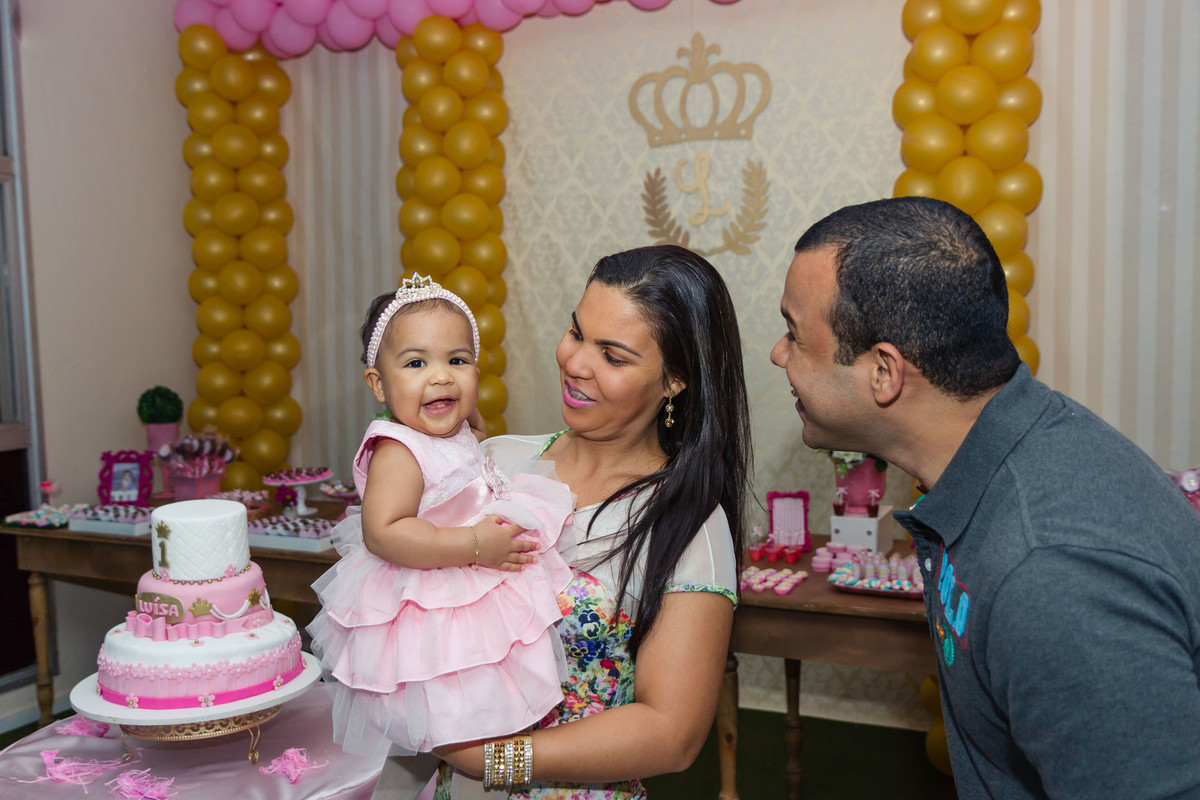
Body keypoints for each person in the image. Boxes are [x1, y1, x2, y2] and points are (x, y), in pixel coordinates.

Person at [770, 196, 1200, 800]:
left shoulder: (1052, 571)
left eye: (794, 334)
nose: (778, 354)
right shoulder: (1011, 454)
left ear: (884, 372)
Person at [426, 244, 752, 799]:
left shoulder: (688, 524)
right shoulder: (498, 462)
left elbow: (671, 734)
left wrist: (496, 761)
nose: (575, 363)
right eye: (576, 333)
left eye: (614, 356)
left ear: (675, 380)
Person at [307, 275, 576, 778]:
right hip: (428, 588)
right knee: (452, 685)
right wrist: (474, 543)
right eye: (416, 363)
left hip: (466, 570)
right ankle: (477, 761)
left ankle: (496, 754)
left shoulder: (451, 428)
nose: (441, 378)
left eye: (458, 361)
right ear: (378, 384)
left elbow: (464, 453)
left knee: (495, 669)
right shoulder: (397, 450)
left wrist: (470, 424)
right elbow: (383, 532)